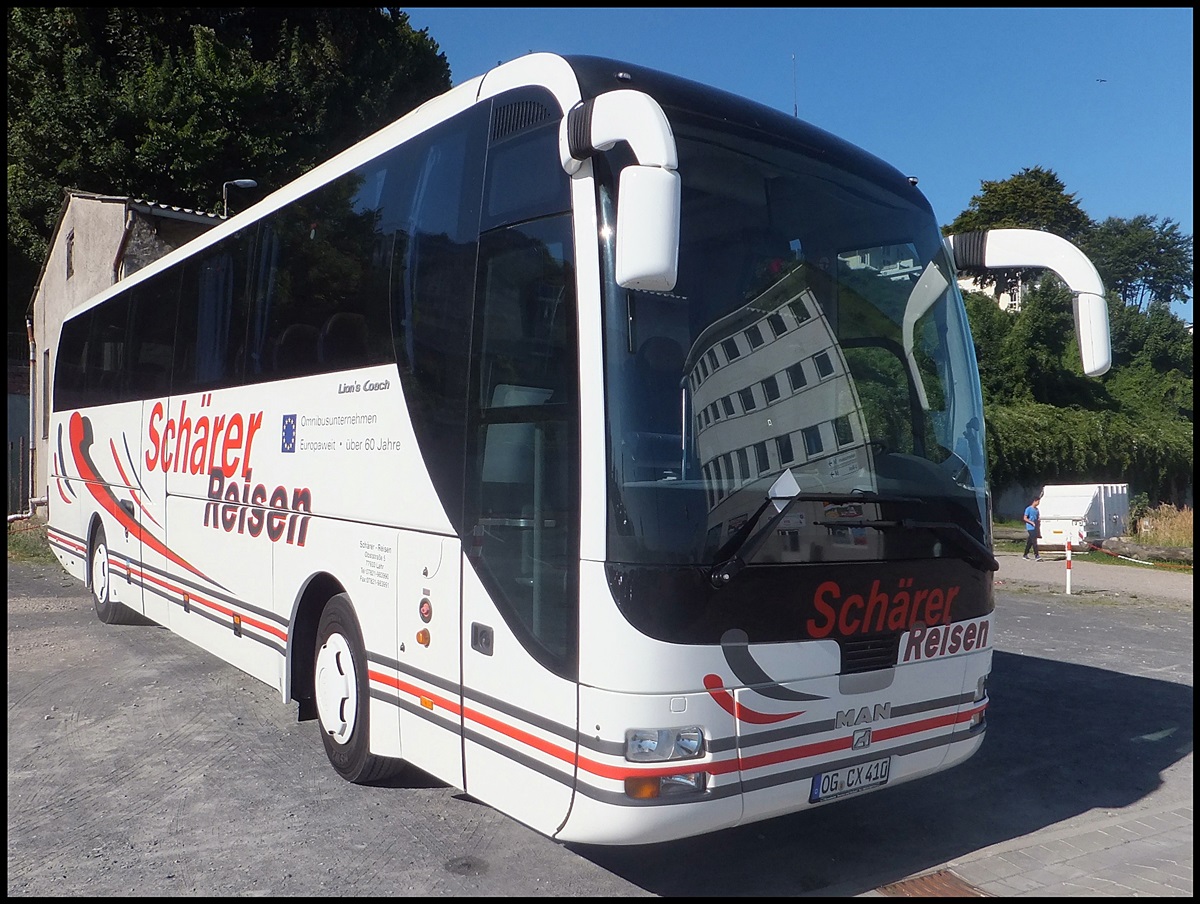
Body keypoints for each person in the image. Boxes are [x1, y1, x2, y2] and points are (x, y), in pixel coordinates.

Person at [1022, 495, 1043, 561]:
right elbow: (1025, 518)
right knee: (1034, 541)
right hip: (1030, 527)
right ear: (1035, 501)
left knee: (1030, 542)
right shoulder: (1028, 509)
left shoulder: (1037, 510)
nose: (1039, 503)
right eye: (1038, 501)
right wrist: (1031, 522)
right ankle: (1037, 555)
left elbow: (1037, 518)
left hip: (1035, 527)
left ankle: (1025, 554)